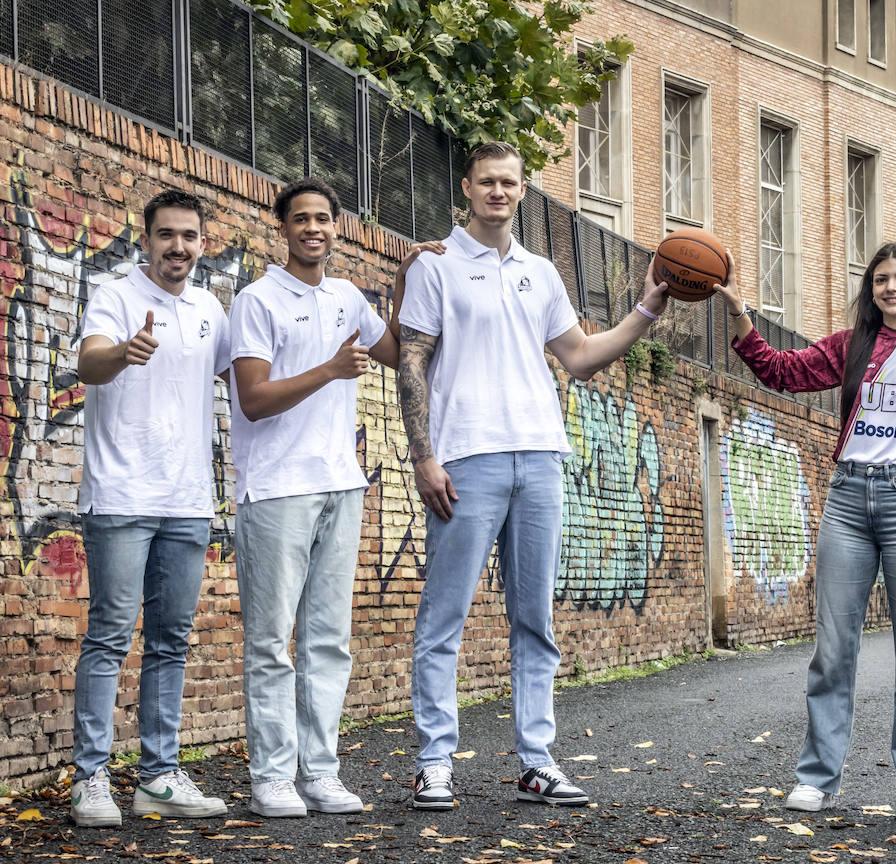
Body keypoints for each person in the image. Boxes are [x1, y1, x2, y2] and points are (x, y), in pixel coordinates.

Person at [398, 141, 670, 811]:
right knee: (444, 617)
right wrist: (422, 455)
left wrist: (647, 309)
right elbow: (411, 359)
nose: (497, 191)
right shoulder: (437, 265)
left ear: (523, 191)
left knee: (535, 619)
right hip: (465, 458)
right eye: (486, 181)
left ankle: (537, 761)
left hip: (542, 458)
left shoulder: (542, 271)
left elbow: (578, 357)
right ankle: (434, 761)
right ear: (466, 186)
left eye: (509, 182)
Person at [716, 241, 896, 823]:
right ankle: (818, 776)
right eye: (882, 279)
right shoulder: (852, 345)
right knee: (833, 649)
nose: (892, 288)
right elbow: (779, 372)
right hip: (849, 497)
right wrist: (739, 312)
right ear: (871, 289)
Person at [229, 177, 441, 818]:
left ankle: (319, 772)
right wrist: (327, 369)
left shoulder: (349, 297)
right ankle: (271, 777)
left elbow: (404, 350)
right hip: (275, 490)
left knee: (327, 639)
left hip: (341, 486)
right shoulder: (257, 300)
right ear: (282, 227)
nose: (313, 228)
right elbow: (253, 399)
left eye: (323, 218)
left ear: (336, 226)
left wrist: (408, 276)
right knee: (270, 641)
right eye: (301, 219)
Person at [70, 189, 230, 826]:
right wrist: (122, 353)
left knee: (171, 642)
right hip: (121, 496)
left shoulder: (209, 308)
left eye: (190, 236)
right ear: (147, 238)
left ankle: (158, 777)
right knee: (109, 637)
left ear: (202, 243)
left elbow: (239, 375)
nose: (179, 247)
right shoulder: (114, 295)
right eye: (167, 235)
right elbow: (89, 362)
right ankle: (91, 781)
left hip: (188, 499)